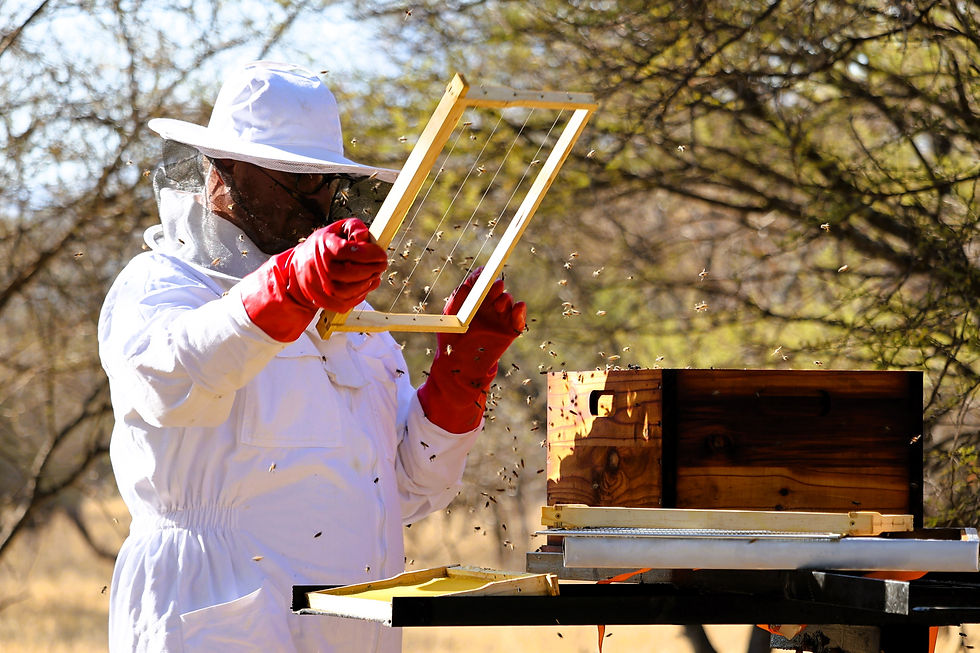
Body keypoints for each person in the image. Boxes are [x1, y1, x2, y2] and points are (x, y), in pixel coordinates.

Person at [98, 60, 525, 652]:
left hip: (353, 622)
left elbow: (404, 488)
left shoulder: (353, 323)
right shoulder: (162, 284)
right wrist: (286, 289)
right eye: (294, 181)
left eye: (324, 182)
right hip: (217, 613)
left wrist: (460, 377)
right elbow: (172, 378)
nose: (317, 201)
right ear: (221, 177)